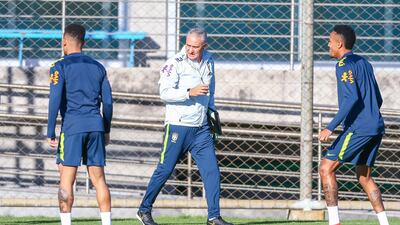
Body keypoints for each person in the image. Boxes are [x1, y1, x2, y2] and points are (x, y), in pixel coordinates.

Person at [136, 28, 233, 225]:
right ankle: (144, 210)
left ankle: (213, 216)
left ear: (203, 46)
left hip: (202, 128)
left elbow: (210, 91)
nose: (190, 50)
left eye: (195, 47)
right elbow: (164, 93)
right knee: (165, 169)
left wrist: (212, 115)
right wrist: (189, 92)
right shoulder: (174, 63)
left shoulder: (209, 60)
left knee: (212, 171)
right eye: (188, 45)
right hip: (178, 127)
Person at [319, 25, 389, 225]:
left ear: (339, 44)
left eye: (330, 41)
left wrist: (330, 127)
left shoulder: (343, 64)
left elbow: (351, 99)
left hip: (359, 127)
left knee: (326, 167)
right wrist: (370, 113)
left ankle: (334, 222)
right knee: (364, 176)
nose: (328, 45)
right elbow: (378, 98)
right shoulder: (363, 62)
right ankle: (384, 223)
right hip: (375, 125)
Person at [47, 24, 113, 225]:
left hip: (73, 127)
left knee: (66, 178)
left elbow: (54, 100)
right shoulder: (98, 66)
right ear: (83, 43)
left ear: (64, 42)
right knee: (99, 179)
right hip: (95, 126)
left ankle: (66, 223)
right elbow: (108, 102)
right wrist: (106, 129)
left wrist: (50, 131)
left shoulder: (59, 66)